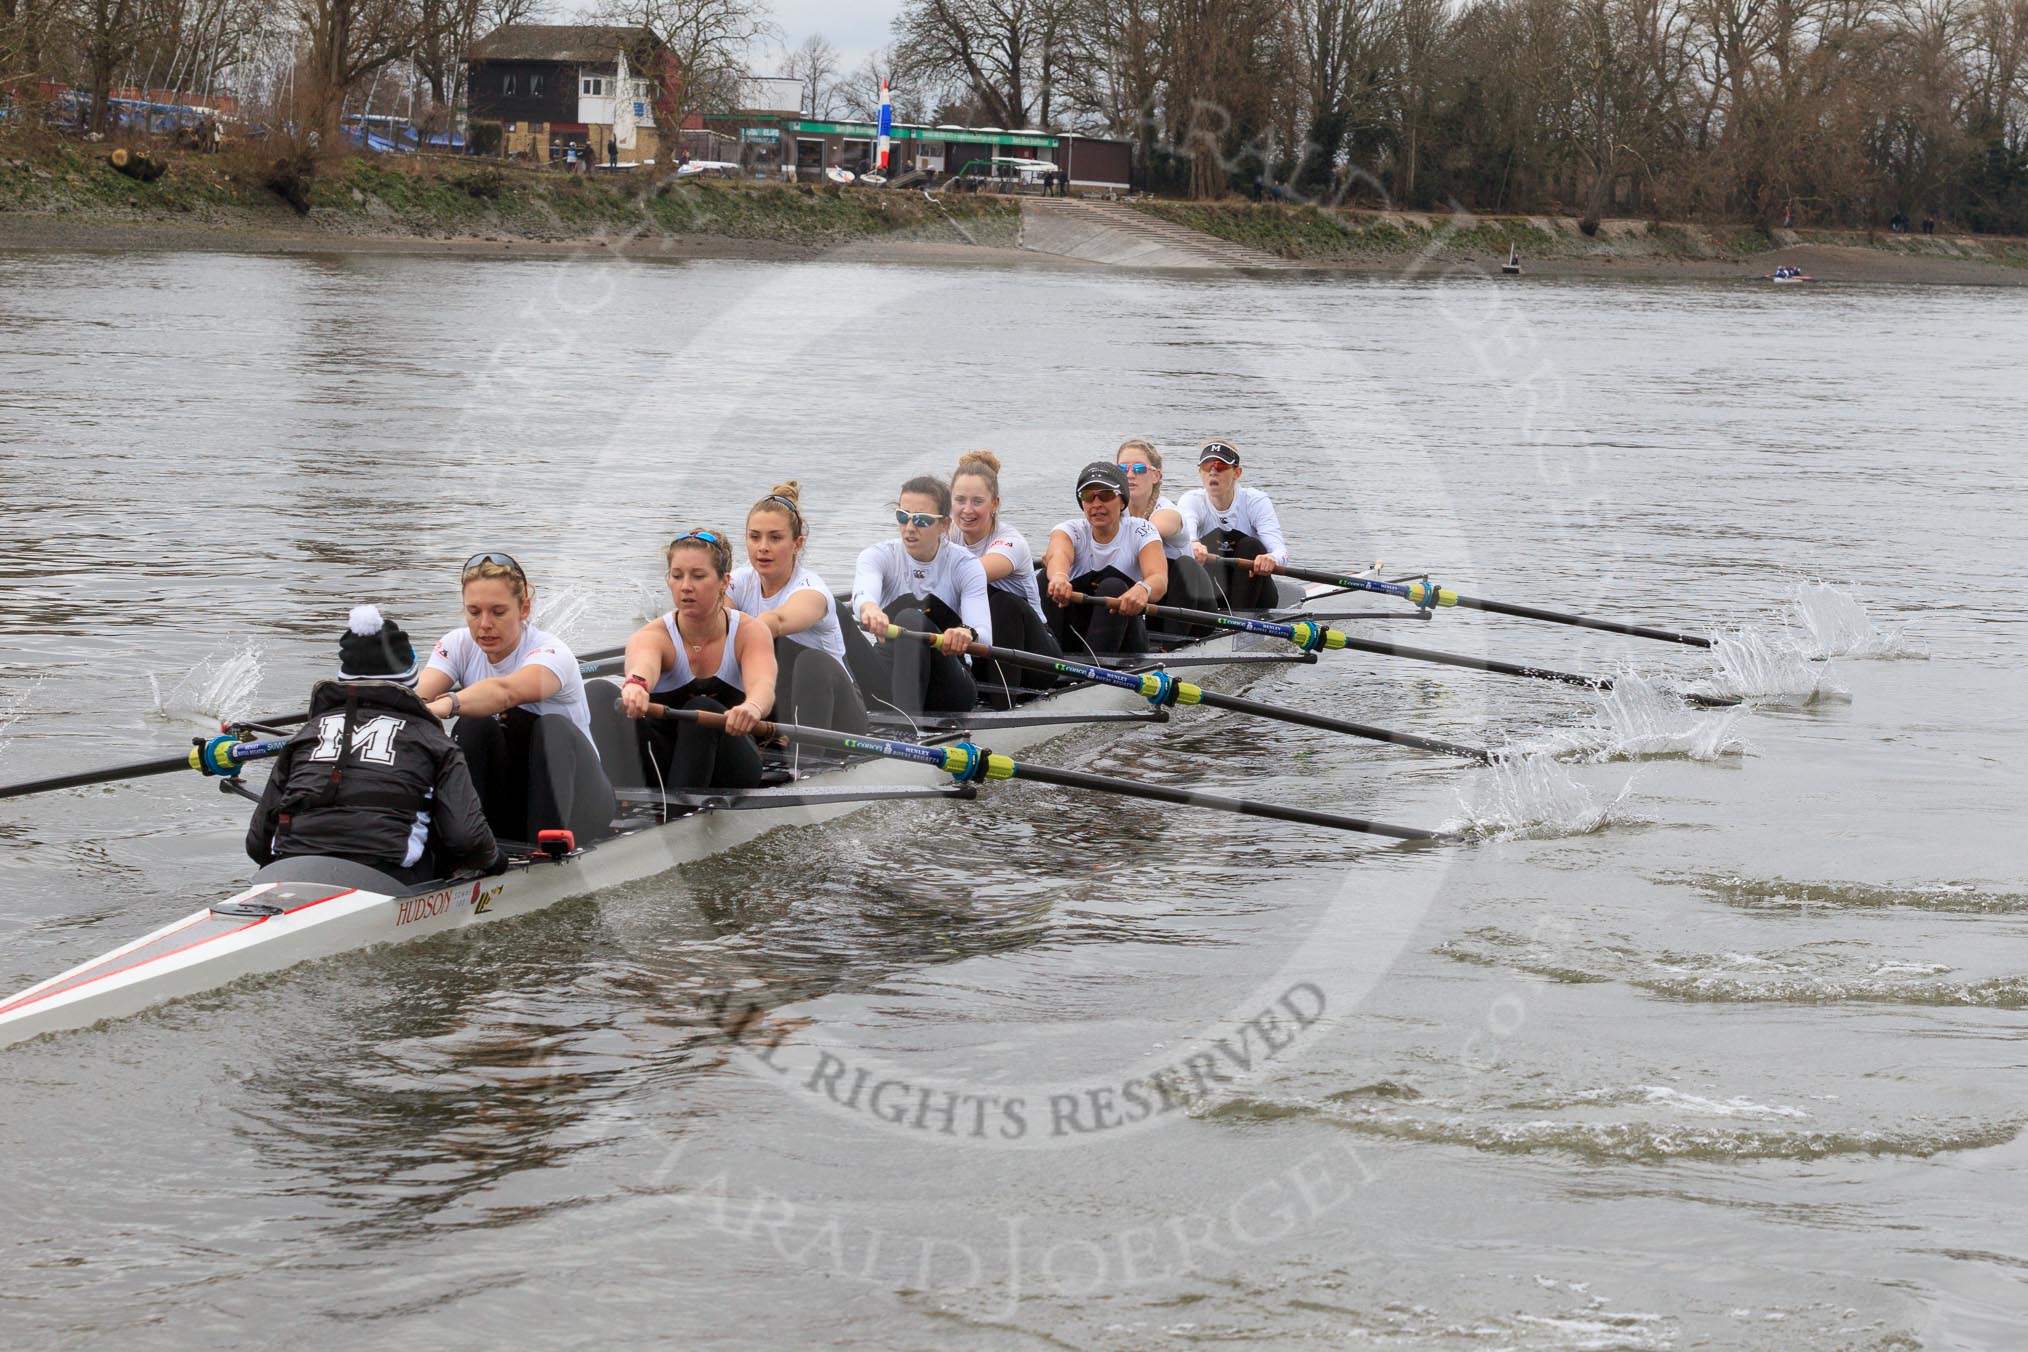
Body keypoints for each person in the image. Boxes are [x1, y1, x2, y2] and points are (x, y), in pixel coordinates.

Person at [247, 605, 504, 887]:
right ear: (410, 677)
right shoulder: (435, 743)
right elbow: (466, 838)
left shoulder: (305, 735)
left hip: (290, 870)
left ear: (343, 677)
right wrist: (496, 862)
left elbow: (258, 843)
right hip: (385, 878)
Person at [417, 553, 615, 848]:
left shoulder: (551, 652)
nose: (484, 624)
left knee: (551, 727)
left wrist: (447, 704)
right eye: (474, 612)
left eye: (498, 612)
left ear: (524, 609)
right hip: (513, 798)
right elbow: (417, 694)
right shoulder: (457, 644)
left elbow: (505, 692)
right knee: (473, 724)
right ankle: (464, 842)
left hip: (580, 802)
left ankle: (545, 852)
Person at [592, 530, 778, 793]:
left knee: (702, 708)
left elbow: (763, 685)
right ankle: (617, 799)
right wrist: (635, 685)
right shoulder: (653, 635)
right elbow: (642, 666)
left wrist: (752, 707)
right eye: (677, 576)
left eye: (698, 576)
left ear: (724, 582)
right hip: (664, 759)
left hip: (729, 764)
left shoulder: (750, 632)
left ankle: (680, 817)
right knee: (598, 692)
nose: (685, 586)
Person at [728, 482, 868, 733]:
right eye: (754, 537)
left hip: (839, 714)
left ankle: (806, 763)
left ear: (797, 544)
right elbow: (714, 620)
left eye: (775, 538)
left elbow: (777, 621)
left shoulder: (811, 589)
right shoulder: (739, 580)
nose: (763, 547)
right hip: (776, 701)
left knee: (806, 657)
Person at [847, 475, 991, 714]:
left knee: (909, 618)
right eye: (903, 517)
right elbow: (864, 591)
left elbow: (984, 636)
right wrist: (869, 608)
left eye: (922, 520)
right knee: (829, 608)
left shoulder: (966, 565)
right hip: (890, 680)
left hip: (948, 687)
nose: (910, 528)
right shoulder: (877, 555)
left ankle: (907, 729)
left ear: (944, 525)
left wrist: (966, 632)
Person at [949, 450, 1062, 704]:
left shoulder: (1010, 541)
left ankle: (1004, 703)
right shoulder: (947, 536)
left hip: (1035, 657)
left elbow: (972, 575)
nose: (967, 510)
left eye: (977, 501)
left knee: (999, 601)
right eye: (960, 500)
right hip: (982, 645)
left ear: (995, 504)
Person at [1042, 462, 1168, 657]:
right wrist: (1059, 578)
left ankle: (1093, 675)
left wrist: (1144, 589)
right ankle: (1052, 663)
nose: (1097, 504)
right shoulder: (1069, 530)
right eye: (1088, 497)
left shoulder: (1141, 530)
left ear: (1122, 501)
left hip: (1125, 638)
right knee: (1045, 579)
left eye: (1106, 495)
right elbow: (1058, 555)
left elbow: (1158, 577)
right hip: (1076, 632)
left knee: (1114, 586)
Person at [1178, 439, 1288, 612]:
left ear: (1237, 473)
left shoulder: (1255, 501)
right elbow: (1187, 535)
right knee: (1196, 548)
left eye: (1220, 466)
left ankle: (1239, 621)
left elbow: (1281, 553)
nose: (1213, 472)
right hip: (1214, 592)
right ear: (1200, 472)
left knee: (1251, 545)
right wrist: (1193, 543)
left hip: (1256, 594)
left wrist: (1271, 559)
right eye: (1207, 466)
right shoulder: (1191, 500)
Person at [1115, 437, 1219, 617]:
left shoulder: (1168, 511)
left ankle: (1173, 642)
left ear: (1156, 476)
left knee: (1185, 565)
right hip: (1145, 602)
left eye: (1139, 469)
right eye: (1123, 468)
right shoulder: (1111, 512)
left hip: (1191, 608)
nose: (1130, 475)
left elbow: (1150, 530)